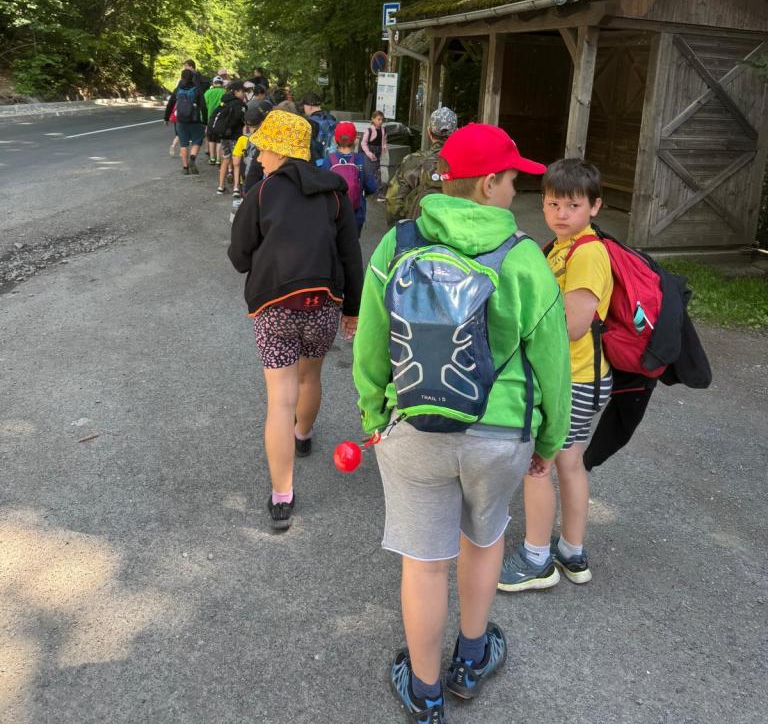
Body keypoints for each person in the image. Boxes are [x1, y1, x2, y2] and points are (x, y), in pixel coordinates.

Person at [353, 123, 571, 722]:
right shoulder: (523, 257)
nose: (517, 191)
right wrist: (549, 441)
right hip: (499, 434)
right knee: (484, 541)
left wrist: (374, 414)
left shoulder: (397, 244)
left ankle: (425, 692)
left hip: (412, 425)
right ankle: (471, 660)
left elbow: (370, 343)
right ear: (488, 184)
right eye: (513, 180)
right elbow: (552, 361)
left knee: (424, 564)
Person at [228, 110, 364, 531]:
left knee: (279, 399)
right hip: (323, 303)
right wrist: (353, 309)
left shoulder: (262, 193)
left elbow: (239, 258)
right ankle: (303, 436)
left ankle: (282, 496)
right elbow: (350, 256)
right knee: (310, 377)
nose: (259, 157)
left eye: (264, 149)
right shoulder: (335, 193)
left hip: (274, 306)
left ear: (281, 150)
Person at [498, 158, 613, 593]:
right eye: (552, 204)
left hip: (575, 378)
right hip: (578, 375)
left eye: (572, 205)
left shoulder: (588, 253)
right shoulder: (561, 247)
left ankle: (536, 559)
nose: (561, 213)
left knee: (539, 463)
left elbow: (574, 324)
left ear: (594, 207)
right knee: (568, 461)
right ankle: (571, 551)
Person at [385, 106, 457, 225]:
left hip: (420, 227)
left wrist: (399, 228)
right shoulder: (466, 162)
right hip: (456, 229)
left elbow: (393, 200)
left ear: (429, 131)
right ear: (456, 131)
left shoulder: (412, 161)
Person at [322, 121, 377, 236]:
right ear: (355, 140)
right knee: (352, 243)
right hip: (356, 215)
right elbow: (372, 187)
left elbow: (323, 188)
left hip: (334, 215)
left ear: (335, 140)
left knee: (334, 243)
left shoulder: (328, 161)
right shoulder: (362, 160)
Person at [164, 68, 208, 175]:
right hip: (195, 120)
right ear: (192, 78)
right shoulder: (197, 89)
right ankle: (192, 159)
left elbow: (170, 104)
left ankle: (185, 167)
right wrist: (205, 121)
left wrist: (166, 118)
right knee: (197, 141)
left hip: (181, 121)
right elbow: (203, 107)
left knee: (183, 144)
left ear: (181, 77)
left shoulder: (178, 89)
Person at [212, 80, 247, 195]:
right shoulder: (240, 104)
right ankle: (236, 188)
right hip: (235, 136)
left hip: (224, 136)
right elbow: (242, 120)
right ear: (236, 91)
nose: (244, 94)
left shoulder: (224, 102)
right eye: (242, 91)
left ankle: (221, 187)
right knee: (237, 162)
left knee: (226, 159)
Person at [301, 92, 337, 165]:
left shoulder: (310, 122)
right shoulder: (332, 118)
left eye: (304, 106)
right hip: (333, 160)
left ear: (310, 106)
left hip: (318, 162)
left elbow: (310, 146)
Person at [360, 110, 388, 200]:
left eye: (382, 120)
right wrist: (369, 153)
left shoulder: (383, 130)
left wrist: (384, 147)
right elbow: (363, 143)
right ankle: (365, 191)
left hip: (378, 153)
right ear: (373, 119)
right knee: (369, 172)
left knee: (377, 172)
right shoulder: (369, 130)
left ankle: (377, 193)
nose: (380, 121)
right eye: (378, 119)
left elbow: (384, 140)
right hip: (369, 153)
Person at [204, 75, 227, 165]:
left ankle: (212, 158)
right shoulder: (225, 92)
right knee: (219, 140)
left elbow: (204, 106)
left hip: (210, 118)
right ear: (222, 83)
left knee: (211, 139)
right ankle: (218, 160)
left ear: (213, 83)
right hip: (222, 119)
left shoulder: (208, 92)